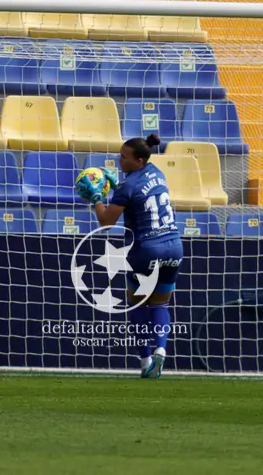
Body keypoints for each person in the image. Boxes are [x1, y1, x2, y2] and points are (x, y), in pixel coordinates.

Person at [78, 134, 183, 379]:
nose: (119, 160)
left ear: (138, 160)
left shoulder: (127, 187)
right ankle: (161, 348)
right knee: (160, 304)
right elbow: (140, 194)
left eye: (123, 157)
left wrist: (96, 199)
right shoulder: (157, 172)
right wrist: (116, 187)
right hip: (174, 247)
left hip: (146, 250)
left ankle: (146, 361)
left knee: (136, 303)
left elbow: (106, 221)